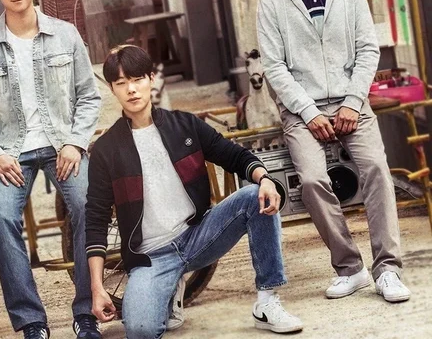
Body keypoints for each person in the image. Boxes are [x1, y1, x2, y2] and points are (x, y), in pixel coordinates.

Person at [86, 45, 304, 338]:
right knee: (139, 331)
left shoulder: (185, 125)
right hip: (151, 256)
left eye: (137, 79)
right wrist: (97, 288)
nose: (131, 90)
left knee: (255, 195)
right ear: (113, 89)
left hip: (198, 236)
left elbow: (234, 155)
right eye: (121, 83)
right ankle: (169, 287)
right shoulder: (106, 149)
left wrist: (264, 178)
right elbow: (96, 219)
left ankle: (267, 301)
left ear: (151, 79)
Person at [257, 0, 410, 302]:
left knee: (377, 170)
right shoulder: (271, 0)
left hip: (350, 102)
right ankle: (350, 268)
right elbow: (274, 67)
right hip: (301, 109)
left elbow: (368, 49)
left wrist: (354, 101)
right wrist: (308, 112)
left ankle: (388, 269)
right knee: (312, 181)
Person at [0, 0, 102, 339]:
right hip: (10, 152)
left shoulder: (65, 34)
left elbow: (89, 97)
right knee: (3, 220)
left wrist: (75, 143)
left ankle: (86, 312)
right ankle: (31, 322)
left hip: (62, 147)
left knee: (87, 206)